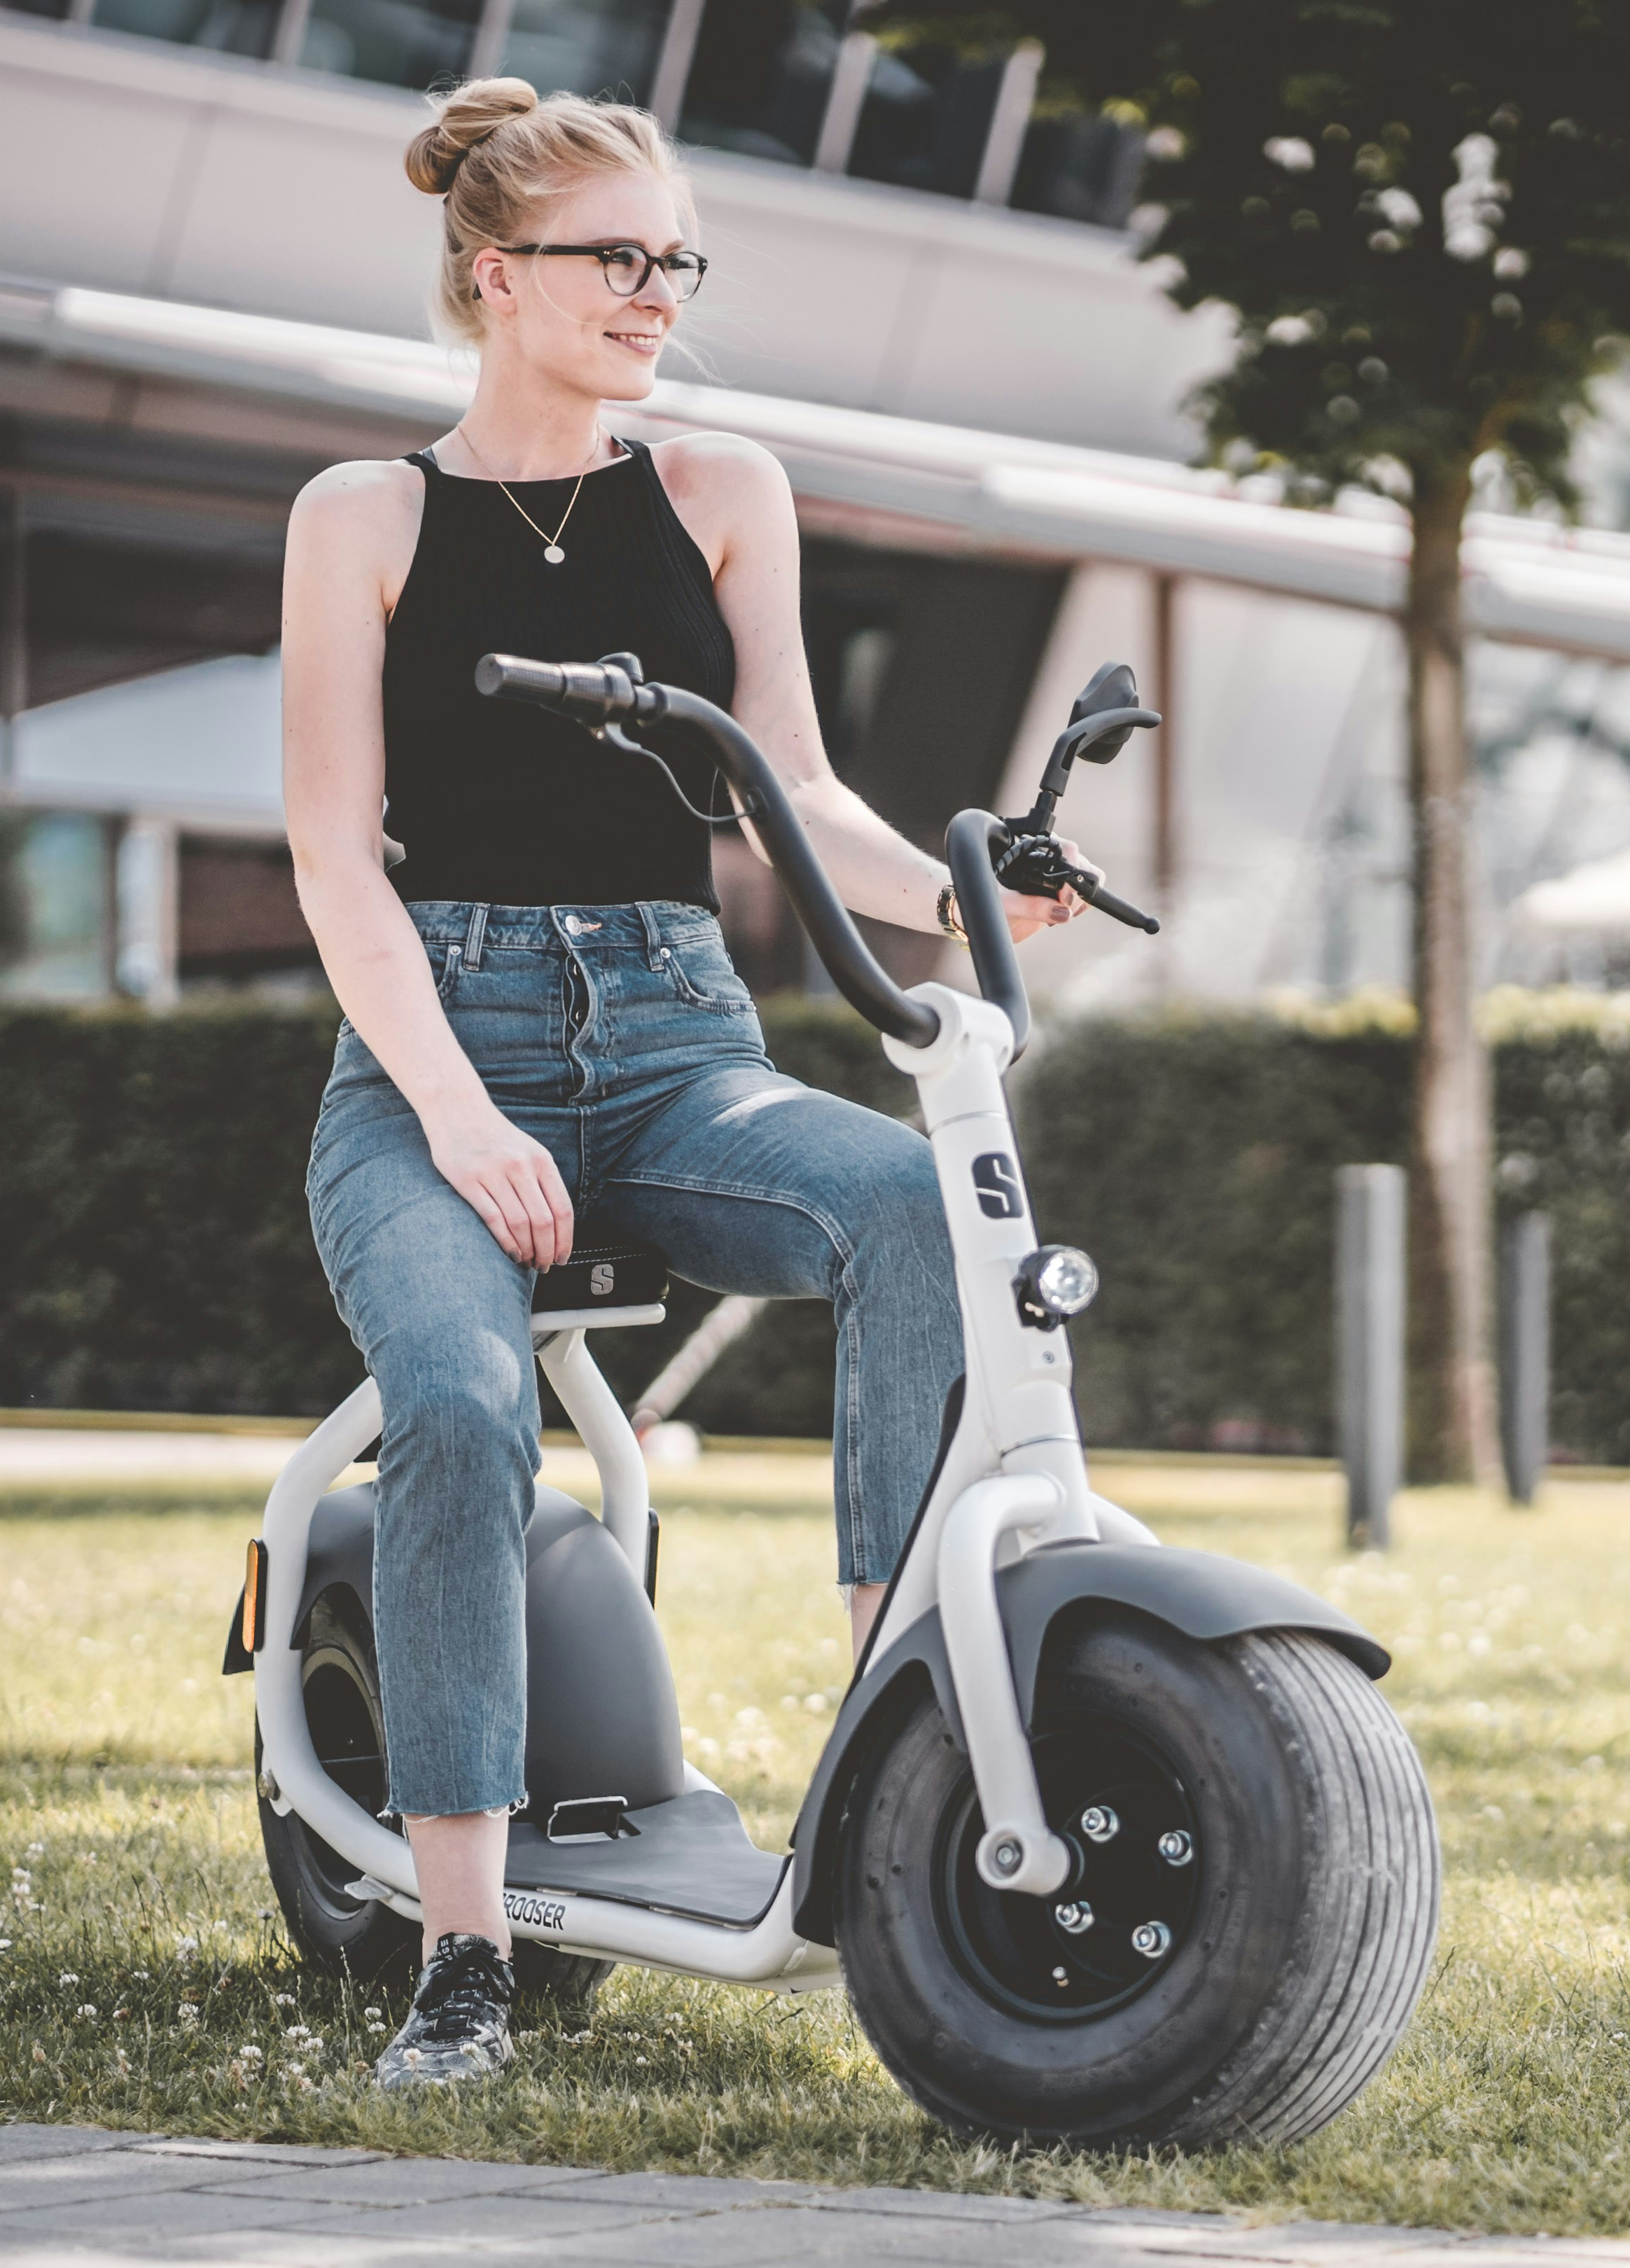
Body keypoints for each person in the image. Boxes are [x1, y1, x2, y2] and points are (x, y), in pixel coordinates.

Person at [278, 78, 1087, 2093]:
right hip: (428, 1062)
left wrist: (976, 878)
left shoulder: (721, 486)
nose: (658, 295)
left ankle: (886, 1740)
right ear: (493, 273)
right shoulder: (360, 518)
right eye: (615, 259)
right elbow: (325, 851)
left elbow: (791, 795)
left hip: (670, 1049)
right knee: (463, 1416)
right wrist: (460, 1115)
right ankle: (462, 1950)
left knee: (913, 1209)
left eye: (675, 262)